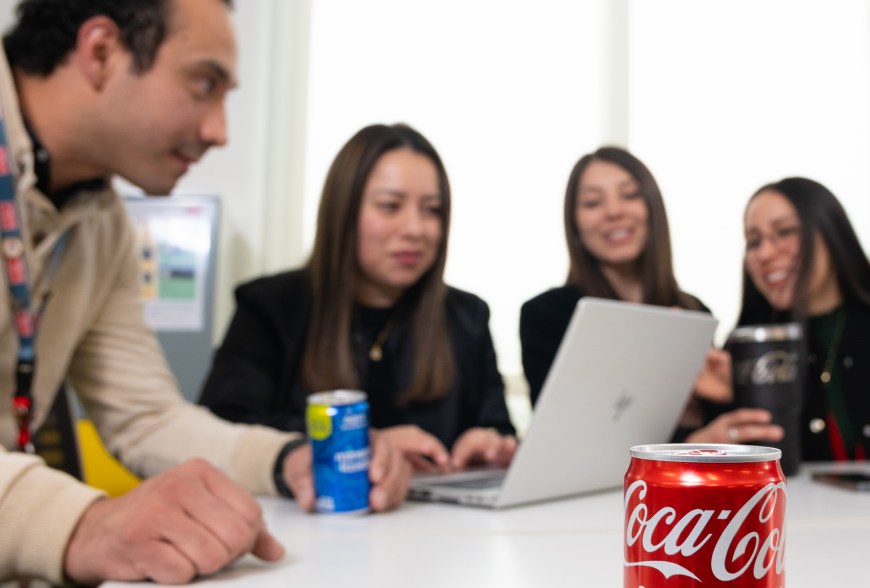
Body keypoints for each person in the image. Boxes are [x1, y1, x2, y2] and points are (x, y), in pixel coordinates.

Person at [0, 0, 409, 588]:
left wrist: (291, 457)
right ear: (101, 52)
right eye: (203, 84)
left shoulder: (100, 221)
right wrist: (86, 525)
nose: (220, 131)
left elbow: (145, 419)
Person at [200, 123, 517, 472]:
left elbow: (499, 427)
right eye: (390, 206)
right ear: (344, 212)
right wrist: (361, 445)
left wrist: (490, 442)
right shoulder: (270, 307)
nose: (415, 229)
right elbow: (225, 431)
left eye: (432, 210)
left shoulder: (466, 316)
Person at [519, 146, 782, 444]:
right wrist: (687, 446)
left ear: (652, 208)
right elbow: (561, 442)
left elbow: (723, 426)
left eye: (630, 195)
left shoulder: (693, 312)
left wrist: (732, 392)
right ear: (575, 223)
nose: (614, 211)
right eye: (593, 202)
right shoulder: (546, 315)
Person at [729, 177, 870, 460]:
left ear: (831, 233)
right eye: (754, 241)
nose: (765, 253)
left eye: (785, 231)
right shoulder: (746, 352)